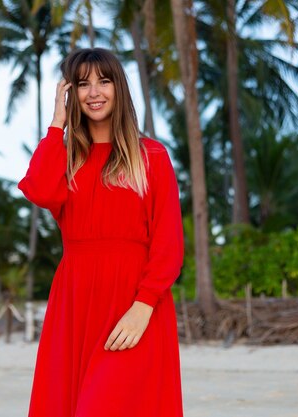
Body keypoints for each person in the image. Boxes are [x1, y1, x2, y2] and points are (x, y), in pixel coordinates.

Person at [18, 48, 185, 417]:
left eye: (104, 81)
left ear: (118, 88)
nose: (94, 92)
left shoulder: (151, 156)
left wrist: (143, 307)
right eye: (82, 84)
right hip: (75, 303)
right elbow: (41, 190)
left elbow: (169, 243)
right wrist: (56, 124)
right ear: (70, 93)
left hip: (135, 304)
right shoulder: (66, 159)